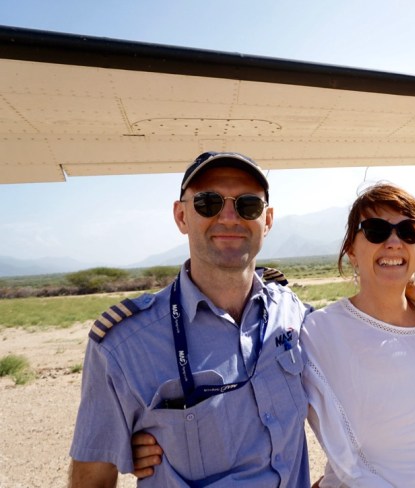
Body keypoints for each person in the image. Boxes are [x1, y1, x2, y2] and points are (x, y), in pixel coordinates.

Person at [68, 151, 312, 486]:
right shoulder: (122, 346)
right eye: (208, 203)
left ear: (267, 220)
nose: (229, 217)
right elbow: (93, 477)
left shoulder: (292, 313)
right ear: (181, 216)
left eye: (248, 205)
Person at [301, 183, 415, 486]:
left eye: (409, 231)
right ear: (351, 251)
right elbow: (348, 465)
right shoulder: (320, 332)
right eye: (376, 230)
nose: (394, 242)